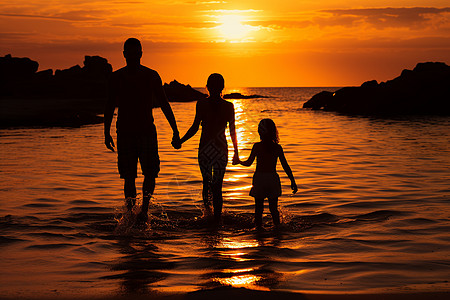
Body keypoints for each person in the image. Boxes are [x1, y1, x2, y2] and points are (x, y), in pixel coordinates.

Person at [104, 37, 181, 223]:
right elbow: (109, 106)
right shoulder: (117, 77)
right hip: (125, 132)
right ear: (124, 54)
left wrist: (175, 130)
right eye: (128, 53)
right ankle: (130, 212)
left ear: (140, 53)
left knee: (150, 173)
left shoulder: (151, 75)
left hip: (147, 131)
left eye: (135, 53)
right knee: (128, 176)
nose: (131, 56)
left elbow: (164, 103)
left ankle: (144, 210)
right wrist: (106, 132)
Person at [179, 73, 239, 222]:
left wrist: (181, 140)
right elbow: (233, 131)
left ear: (207, 86)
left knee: (207, 183)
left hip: (206, 149)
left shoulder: (202, 104)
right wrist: (236, 152)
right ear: (222, 87)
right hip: (220, 150)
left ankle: (209, 216)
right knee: (216, 186)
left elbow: (194, 128)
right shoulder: (227, 106)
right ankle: (215, 219)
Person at [235, 118, 297, 229]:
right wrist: (292, 180)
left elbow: (249, 163)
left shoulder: (257, 146)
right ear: (273, 131)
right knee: (274, 209)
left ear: (260, 132)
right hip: (272, 179)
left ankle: (259, 233)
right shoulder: (277, 148)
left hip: (259, 179)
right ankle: (277, 232)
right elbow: (285, 166)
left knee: (258, 209)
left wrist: (239, 161)